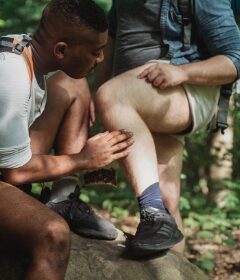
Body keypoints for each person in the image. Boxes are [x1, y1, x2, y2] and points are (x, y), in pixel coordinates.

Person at [93, 0, 240, 255]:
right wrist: (94, 97)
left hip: (184, 89)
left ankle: (153, 214)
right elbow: (113, 41)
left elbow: (238, 61)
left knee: (112, 96)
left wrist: (183, 73)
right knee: (168, 199)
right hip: (138, 93)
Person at [0, 0, 134, 279]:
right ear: (61, 50)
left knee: (75, 84)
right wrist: (81, 159)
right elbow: (13, 172)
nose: (100, 60)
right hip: (8, 172)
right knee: (54, 234)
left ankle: (64, 198)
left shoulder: (24, 51)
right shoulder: (11, 76)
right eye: (96, 52)